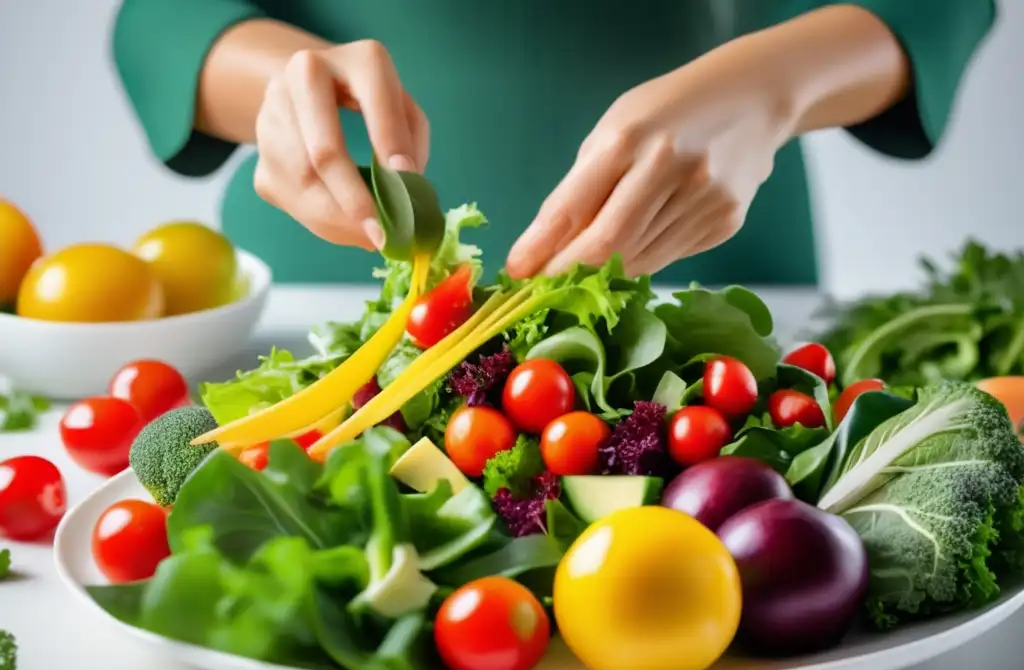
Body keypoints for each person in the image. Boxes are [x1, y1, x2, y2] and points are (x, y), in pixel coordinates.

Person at [113, 1, 995, 286]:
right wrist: (276, 81)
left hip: (707, 258)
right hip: (327, 284)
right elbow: (158, 15)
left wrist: (774, 85)